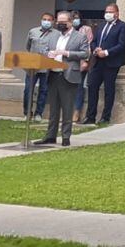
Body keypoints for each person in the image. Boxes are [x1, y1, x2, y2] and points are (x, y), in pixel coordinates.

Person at [34, 12, 89, 147]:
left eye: (63, 22)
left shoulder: (80, 36)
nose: (60, 25)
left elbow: (85, 53)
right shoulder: (54, 35)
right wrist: (49, 54)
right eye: (58, 22)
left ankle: (65, 136)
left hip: (69, 75)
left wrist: (67, 53)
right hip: (53, 74)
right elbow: (45, 49)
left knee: (67, 107)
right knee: (53, 108)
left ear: (70, 22)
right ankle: (50, 136)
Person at [83, 3, 125, 125]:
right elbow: (93, 41)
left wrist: (106, 52)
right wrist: (95, 49)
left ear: (117, 13)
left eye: (110, 11)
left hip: (112, 62)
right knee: (92, 86)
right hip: (98, 61)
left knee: (109, 89)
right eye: (106, 11)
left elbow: (121, 45)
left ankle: (105, 117)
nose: (108, 14)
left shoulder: (123, 26)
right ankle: (90, 116)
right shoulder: (101, 25)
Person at [23, 12, 56, 120]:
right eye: (44, 19)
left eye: (49, 20)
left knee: (44, 90)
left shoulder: (56, 34)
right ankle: (27, 113)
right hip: (32, 66)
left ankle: (39, 113)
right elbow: (28, 46)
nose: (46, 21)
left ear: (53, 21)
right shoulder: (33, 31)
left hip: (46, 66)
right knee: (28, 89)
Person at [71, 11, 94, 123]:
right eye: (73, 18)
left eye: (77, 18)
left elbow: (89, 46)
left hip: (81, 62)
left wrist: (86, 61)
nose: (75, 20)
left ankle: (76, 111)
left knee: (79, 87)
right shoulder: (68, 29)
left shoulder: (86, 29)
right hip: (68, 63)